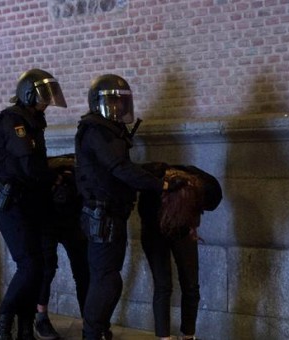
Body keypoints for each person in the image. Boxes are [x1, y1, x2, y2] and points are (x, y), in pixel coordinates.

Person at [74, 74, 186, 340]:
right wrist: (162, 186)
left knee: (106, 278)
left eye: (121, 102)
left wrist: (152, 171)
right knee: (107, 280)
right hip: (103, 216)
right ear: (98, 103)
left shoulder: (108, 129)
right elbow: (119, 168)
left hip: (111, 214)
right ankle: (92, 334)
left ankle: (97, 330)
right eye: (112, 102)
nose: (117, 108)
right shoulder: (97, 129)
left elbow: (118, 169)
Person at [0, 68, 67, 340]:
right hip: (12, 203)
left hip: (31, 202)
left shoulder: (34, 120)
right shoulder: (13, 121)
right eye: (43, 96)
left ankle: (25, 328)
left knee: (41, 265)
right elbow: (28, 165)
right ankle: (3, 321)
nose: (46, 102)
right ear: (28, 94)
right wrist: (53, 175)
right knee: (29, 265)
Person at [138, 162, 223, 340]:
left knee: (191, 285)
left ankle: (188, 336)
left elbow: (209, 200)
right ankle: (164, 338)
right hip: (154, 229)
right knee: (163, 286)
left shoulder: (200, 185)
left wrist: (190, 222)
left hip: (181, 228)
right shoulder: (154, 191)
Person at [34, 154, 90, 340]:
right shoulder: (46, 176)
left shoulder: (80, 173)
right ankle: (41, 317)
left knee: (83, 271)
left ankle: (89, 322)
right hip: (47, 219)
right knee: (46, 269)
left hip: (72, 221)